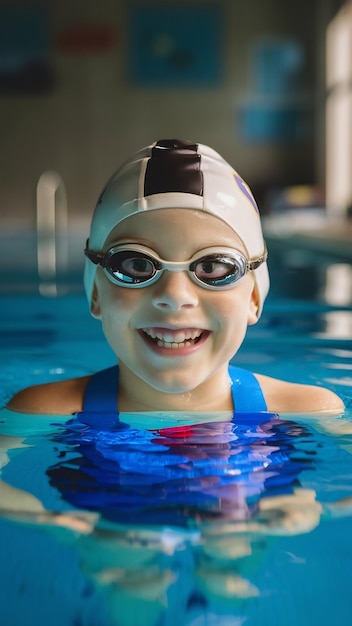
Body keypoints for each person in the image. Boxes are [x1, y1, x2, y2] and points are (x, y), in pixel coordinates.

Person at [7, 139, 344, 417]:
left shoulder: (307, 410)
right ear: (95, 290)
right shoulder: (42, 411)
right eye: (137, 266)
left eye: (213, 268)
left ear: (254, 297)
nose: (175, 295)